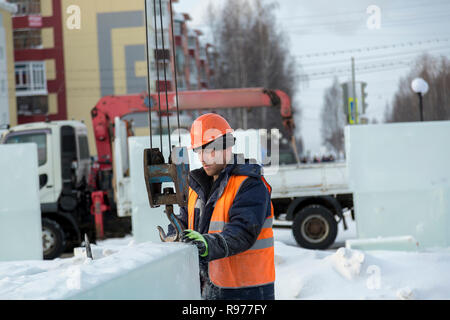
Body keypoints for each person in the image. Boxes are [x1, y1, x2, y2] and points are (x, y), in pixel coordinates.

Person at [168, 113, 275, 300]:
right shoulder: (195, 186)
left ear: (227, 146)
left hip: (248, 291)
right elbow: (183, 221)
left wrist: (206, 244)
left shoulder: (250, 184)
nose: (202, 158)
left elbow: (242, 231)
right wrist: (173, 235)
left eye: (208, 150)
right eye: (198, 151)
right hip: (208, 287)